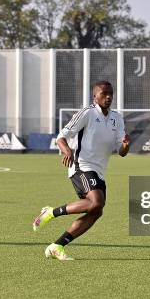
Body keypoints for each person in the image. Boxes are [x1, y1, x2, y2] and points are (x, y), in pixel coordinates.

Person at [32, 81, 130, 261]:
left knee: (96, 211)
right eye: (104, 93)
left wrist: (125, 145)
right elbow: (61, 137)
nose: (108, 97)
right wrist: (67, 150)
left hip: (99, 171)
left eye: (111, 94)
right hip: (81, 165)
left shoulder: (117, 118)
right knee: (96, 202)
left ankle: (57, 246)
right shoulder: (87, 113)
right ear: (95, 96)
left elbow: (121, 152)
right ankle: (51, 213)